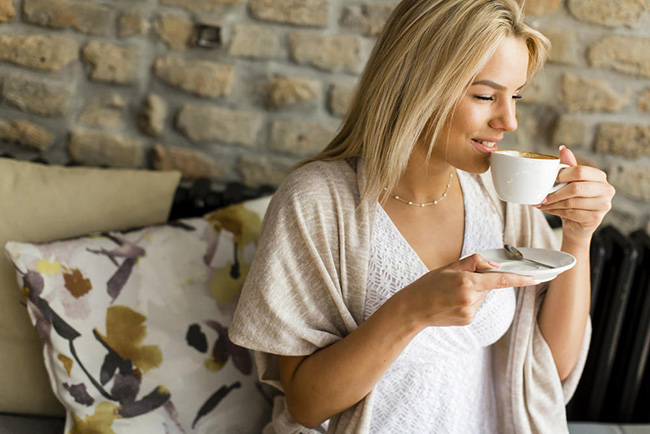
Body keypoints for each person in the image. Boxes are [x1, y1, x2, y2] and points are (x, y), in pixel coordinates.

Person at [230, 0, 615, 432]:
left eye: (516, 96)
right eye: (486, 95)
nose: (509, 120)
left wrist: (578, 238)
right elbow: (305, 405)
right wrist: (410, 311)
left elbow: (550, 369)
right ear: (417, 86)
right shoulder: (317, 202)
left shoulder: (499, 197)